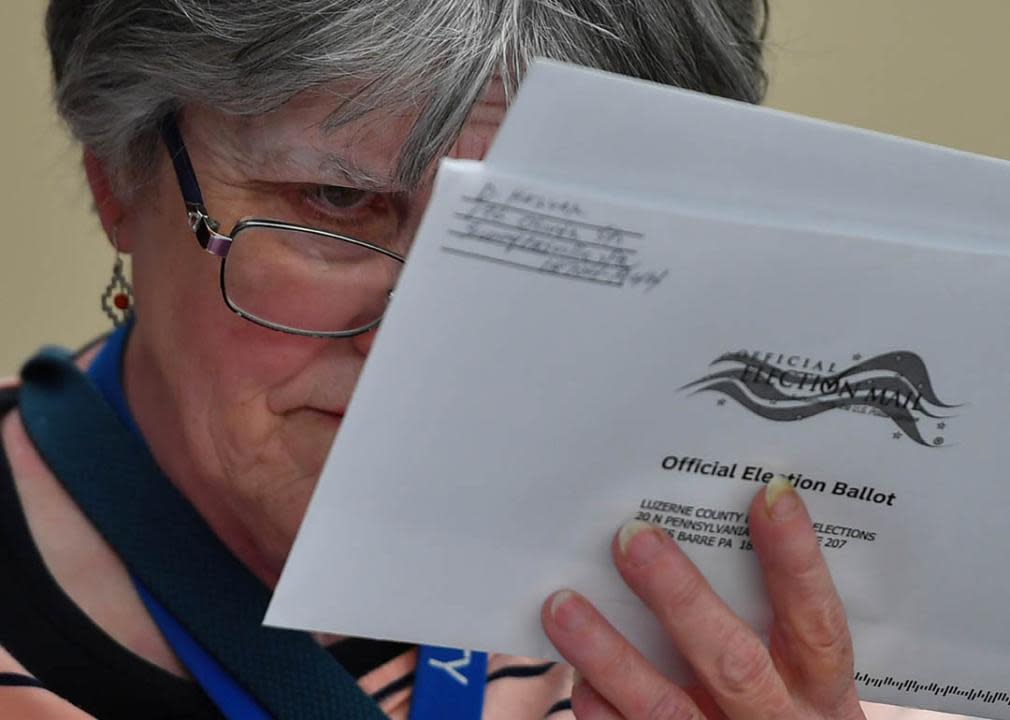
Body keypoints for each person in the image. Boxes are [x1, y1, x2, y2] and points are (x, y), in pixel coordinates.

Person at [0, 1, 957, 718]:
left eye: (550, 226)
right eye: (337, 203)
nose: (432, 343)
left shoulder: (780, 625)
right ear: (117, 179)